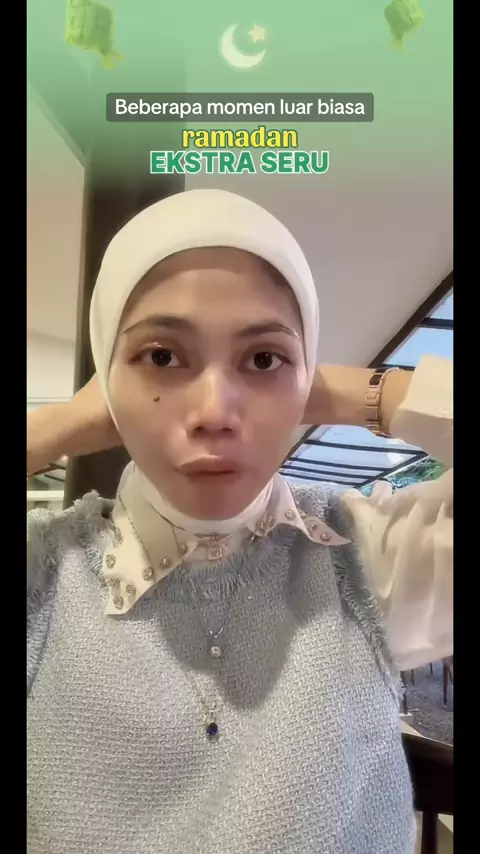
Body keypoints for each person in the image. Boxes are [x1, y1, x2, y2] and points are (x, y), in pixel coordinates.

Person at [27, 189, 453, 854]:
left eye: (263, 360)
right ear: (109, 382)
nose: (214, 413)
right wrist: (60, 423)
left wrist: (368, 393)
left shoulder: (366, 555)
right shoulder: (45, 579)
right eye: (161, 356)